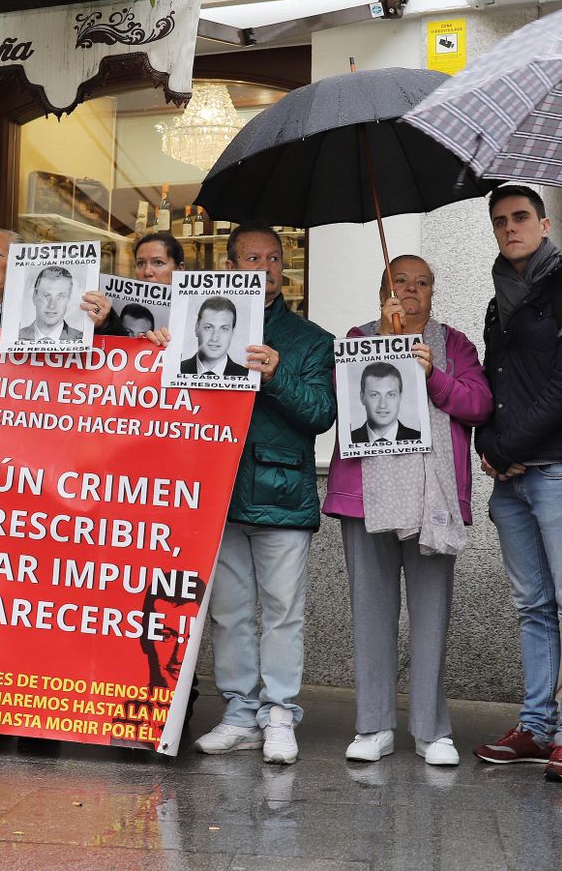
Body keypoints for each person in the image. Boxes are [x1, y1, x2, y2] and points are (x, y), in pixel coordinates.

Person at [323, 255, 491, 766]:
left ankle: (431, 731)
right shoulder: (358, 338)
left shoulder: (454, 344)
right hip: (367, 498)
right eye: (401, 282)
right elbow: (338, 403)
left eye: (423, 283)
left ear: (433, 292)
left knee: (431, 616)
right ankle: (373, 726)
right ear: (384, 292)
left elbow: (479, 405)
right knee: (371, 615)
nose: (412, 290)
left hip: (431, 498)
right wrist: (382, 337)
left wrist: (433, 375)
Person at [472, 184, 562, 783]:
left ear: (545, 223)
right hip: (511, 478)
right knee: (533, 606)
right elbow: (492, 383)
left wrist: (508, 447)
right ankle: (535, 726)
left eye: (520, 217)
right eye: (500, 221)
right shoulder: (497, 303)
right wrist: (487, 443)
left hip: (561, 470)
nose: (510, 228)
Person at [193, 223, 334, 765]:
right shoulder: (202, 325)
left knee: (282, 612)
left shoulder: (311, 339)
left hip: (283, 492)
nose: (266, 267)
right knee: (229, 613)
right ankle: (238, 712)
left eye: (274, 258)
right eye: (252, 258)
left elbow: (321, 414)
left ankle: (279, 714)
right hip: (220, 490)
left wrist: (277, 376)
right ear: (231, 267)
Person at [348, 362, 423, 444]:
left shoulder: (420, 437)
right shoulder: (348, 440)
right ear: (362, 397)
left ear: (400, 396)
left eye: (391, 395)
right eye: (374, 395)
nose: (382, 405)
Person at [179, 297, 249, 377]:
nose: (214, 338)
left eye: (224, 329)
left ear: (232, 332)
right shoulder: (175, 370)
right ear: (196, 328)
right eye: (208, 327)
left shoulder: (248, 375)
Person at [16, 265, 84, 343]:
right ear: (34, 296)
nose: (52, 305)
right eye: (46, 295)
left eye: (60, 296)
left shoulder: (83, 338)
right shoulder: (13, 336)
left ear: (69, 299)